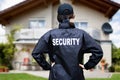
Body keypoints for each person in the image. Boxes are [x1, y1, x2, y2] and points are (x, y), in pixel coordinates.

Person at [32, 3, 103, 80]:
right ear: (73, 16)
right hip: (76, 76)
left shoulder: (50, 34)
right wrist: (87, 65)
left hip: (56, 76)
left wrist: (47, 66)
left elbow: (36, 53)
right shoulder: (81, 34)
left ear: (58, 17)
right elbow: (98, 51)